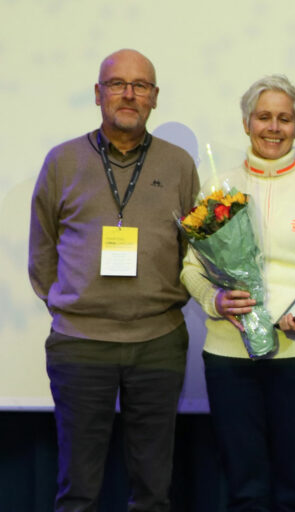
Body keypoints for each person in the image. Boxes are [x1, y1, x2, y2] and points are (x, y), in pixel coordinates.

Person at [28, 49, 199, 511]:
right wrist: (75, 305)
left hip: (158, 340)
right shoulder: (62, 161)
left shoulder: (179, 165)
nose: (129, 94)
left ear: (155, 98)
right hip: (81, 343)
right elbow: (42, 251)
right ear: (98, 94)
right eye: (118, 84)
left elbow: (194, 252)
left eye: (140, 85)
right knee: (79, 490)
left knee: (152, 490)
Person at [180, 75, 295, 511]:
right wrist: (214, 302)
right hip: (230, 360)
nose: (273, 127)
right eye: (264, 117)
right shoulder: (218, 189)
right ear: (246, 123)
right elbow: (190, 269)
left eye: (284, 118)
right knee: (246, 490)